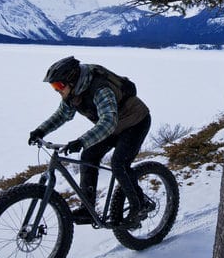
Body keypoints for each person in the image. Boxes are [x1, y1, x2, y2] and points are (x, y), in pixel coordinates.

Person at [28, 56, 154, 227]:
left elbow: (108, 122)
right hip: (112, 125)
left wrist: (81, 141)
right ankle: (87, 210)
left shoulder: (100, 89)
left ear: (71, 80)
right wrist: (41, 130)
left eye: (58, 86)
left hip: (135, 122)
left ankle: (139, 205)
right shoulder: (73, 93)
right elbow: (62, 115)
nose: (56, 90)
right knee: (88, 156)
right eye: (53, 86)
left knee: (119, 163)